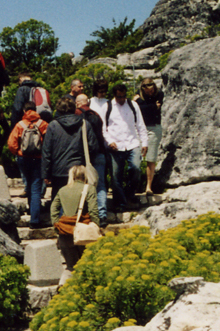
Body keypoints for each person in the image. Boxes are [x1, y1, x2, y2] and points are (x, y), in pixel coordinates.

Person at [42, 96, 101, 195]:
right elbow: (93, 147)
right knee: (79, 200)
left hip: (58, 170)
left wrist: (46, 174)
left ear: (58, 110)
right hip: (79, 169)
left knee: (59, 199)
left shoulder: (53, 125)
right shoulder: (84, 124)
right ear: (74, 109)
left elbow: (47, 151)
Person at [102, 83, 148, 210]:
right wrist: (109, 141)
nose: (122, 99)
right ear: (114, 96)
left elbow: (140, 124)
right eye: (119, 97)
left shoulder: (133, 105)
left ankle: (129, 195)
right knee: (116, 175)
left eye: (123, 96)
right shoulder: (107, 107)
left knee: (136, 169)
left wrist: (144, 142)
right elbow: (103, 128)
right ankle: (120, 203)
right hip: (115, 145)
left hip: (132, 143)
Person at [50, 165, 100, 273]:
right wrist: (96, 226)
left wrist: (57, 225)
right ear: (85, 175)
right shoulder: (89, 189)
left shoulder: (62, 190)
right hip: (83, 231)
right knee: (87, 266)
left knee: (70, 267)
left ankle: (65, 282)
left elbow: (53, 208)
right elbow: (93, 210)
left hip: (65, 232)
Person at [7, 101, 48, 226]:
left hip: (23, 158)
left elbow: (11, 143)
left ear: (24, 111)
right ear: (36, 110)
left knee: (28, 185)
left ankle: (31, 210)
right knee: (36, 188)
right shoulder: (43, 124)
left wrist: (18, 152)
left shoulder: (20, 124)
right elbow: (49, 142)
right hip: (38, 158)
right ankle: (35, 219)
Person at [75, 93, 109, 225]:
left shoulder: (76, 114)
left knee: (82, 184)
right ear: (88, 103)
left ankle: (85, 213)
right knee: (100, 184)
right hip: (99, 153)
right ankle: (102, 214)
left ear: (78, 103)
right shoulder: (96, 114)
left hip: (83, 156)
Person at [135, 77, 164, 195]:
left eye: (152, 91)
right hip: (141, 127)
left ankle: (148, 186)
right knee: (136, 157)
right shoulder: (138, 94)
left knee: (151, 158)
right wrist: (151, 106)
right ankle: (136, 185)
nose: (150, 93)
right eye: (148, 92)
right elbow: (141, 108)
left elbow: (152, 108)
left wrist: (141, 103)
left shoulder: (159, 94)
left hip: (154, 127)